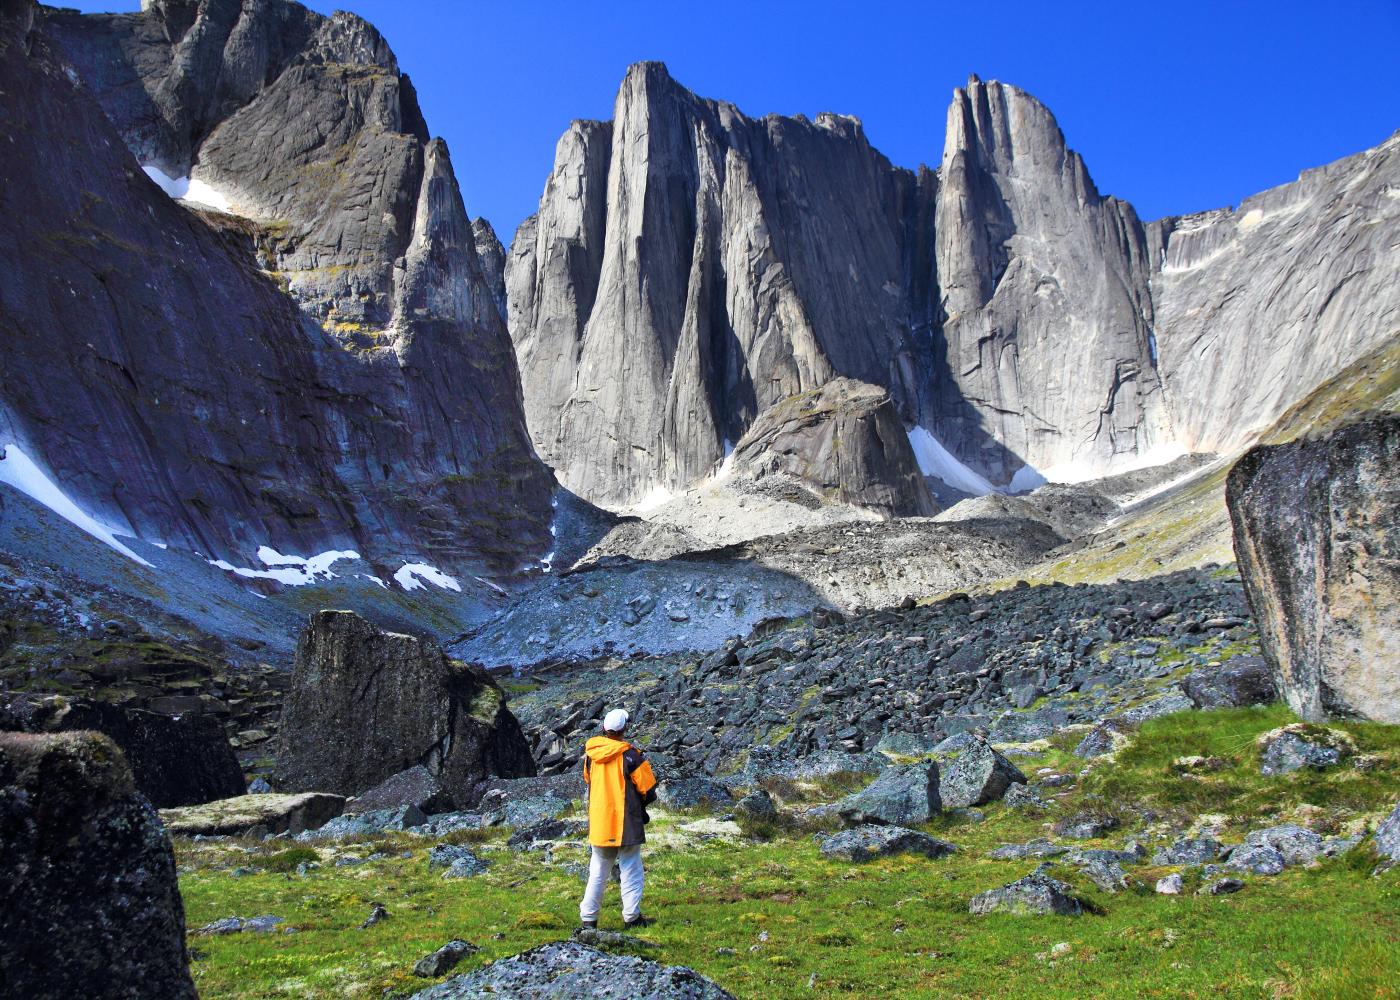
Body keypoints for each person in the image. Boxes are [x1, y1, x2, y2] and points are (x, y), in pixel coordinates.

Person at [579, 708, 657, 929]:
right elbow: (648, 789)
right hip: (626, 823)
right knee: (631, 868)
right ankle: (632, 917)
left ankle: (589, 919)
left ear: (604, 729)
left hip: (600, 823)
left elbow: (588, 781)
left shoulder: (590, 757)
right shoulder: (631, 756)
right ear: (624, 729)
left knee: (598, 871)